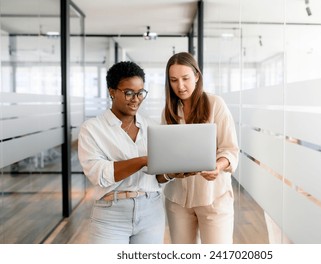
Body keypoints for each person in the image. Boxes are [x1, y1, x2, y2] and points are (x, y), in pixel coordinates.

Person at [155, 52, 239, 244]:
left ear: (197, 76)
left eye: (185, 78)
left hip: (213, 197)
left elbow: (230, 149)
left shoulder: (215, 104)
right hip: (178, 199)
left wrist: (218, 166)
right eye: (174, 80)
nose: (180, 86)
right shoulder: (168, 112)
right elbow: (166, 153)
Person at [78, 61, 165, 244]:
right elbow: (99, 175)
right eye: (128, 93)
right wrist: (142, 160)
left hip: (152, 211)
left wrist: (171, 171)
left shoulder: (152, 127)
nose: (136, 99)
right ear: (112, 92)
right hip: (111, 215)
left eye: (140, 93)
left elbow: (158, 177)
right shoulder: (92, 129)